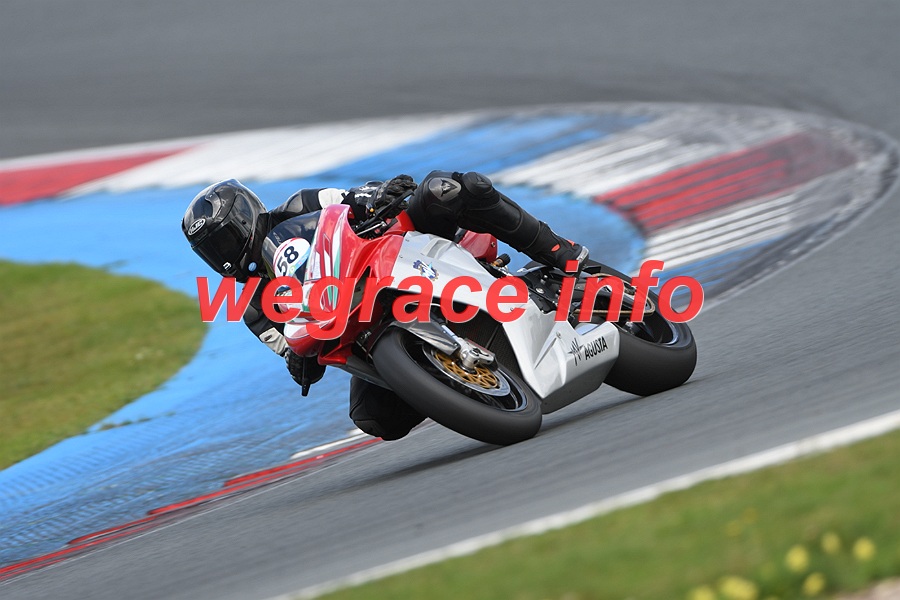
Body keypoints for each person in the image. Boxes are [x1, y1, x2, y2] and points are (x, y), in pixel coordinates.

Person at [182, 170, 588, 440]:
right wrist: (298, 364)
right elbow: (292, 350)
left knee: (447, 189)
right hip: (357, 324)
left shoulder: (299, 205)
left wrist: (379, 196)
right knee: (374, 417)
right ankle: (453, 381)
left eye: (225, 239)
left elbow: (351, 198)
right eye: (212, 250)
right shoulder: (255, 307)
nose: (225, 254)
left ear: (245, 217)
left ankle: (557, 250)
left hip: (390, 252)